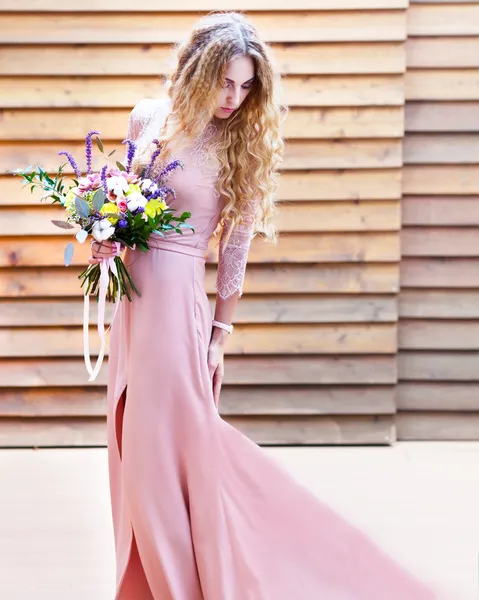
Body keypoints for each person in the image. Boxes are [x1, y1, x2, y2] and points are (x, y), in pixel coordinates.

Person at [90, 11, 451, 600]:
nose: (234, 97)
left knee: (167, 452)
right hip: (133, 301)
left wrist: (218, 335)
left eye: (246, 85)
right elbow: (124, 203)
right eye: (225, 82)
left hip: (178, 307)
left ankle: (183, 583)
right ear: (197, 72)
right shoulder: (146, 117)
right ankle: (147, 581)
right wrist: (104, 237)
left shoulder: (241, 146)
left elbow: (234, 251)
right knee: (132, 442)